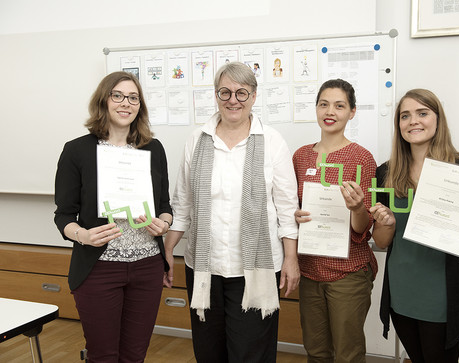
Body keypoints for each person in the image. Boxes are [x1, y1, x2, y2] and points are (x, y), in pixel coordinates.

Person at [164, 61, 299, 362]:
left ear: (253, 95)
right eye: (225, 92)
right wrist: (168, 250)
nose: (232, 100)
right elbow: (183, 203)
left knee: (250, 354)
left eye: (241, 93)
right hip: (204, 268)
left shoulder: (273, 142)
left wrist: (291, 258)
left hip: (254, 269)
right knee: (209, 351)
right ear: (216, 95)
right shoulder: (197, 140)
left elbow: (287, 209)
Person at [54, 71, 173, 363]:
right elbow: (64, 215)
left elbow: (165, 206)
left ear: (139, 106)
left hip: (146, 268)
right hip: (99, 269)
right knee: (103, 355)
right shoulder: (77, 151)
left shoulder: (153, 149)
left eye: (133, 97)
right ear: (104, 101)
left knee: (135, 355)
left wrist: (164, 223)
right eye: (117, 95)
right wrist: (83, 235)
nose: (125, 103)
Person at [370, 89, 459, 363]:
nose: (413, 121)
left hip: (443, 296)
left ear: (438, 120)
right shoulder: (386, 173)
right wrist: (386, 223)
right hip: (402, 294)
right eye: (405, 116)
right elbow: (380, 241)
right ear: (398, 125)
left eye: (422, 113)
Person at [293, 79, 377, 363]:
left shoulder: (362, 159)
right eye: (324, 104)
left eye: (339, 105)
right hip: (309, 271)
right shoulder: (301, 156)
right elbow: (289, 207)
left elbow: (363, 229)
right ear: (316, 108)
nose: (330, 111)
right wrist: (294, 215)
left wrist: (356, 208)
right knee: (315, 352)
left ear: (352, 112)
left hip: (348, 274)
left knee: (348, 355)